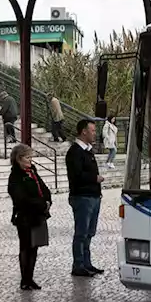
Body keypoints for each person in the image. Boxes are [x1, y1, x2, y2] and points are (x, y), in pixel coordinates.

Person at [8, 144, 51, 290]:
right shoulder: (15, 176)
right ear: (19, 159)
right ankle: (24, 279)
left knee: (35, 247)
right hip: (25, 216)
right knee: (26, 247)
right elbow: (21, 198)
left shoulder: (32, 172)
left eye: (31, 157)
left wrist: (47, 200)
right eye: (27, 157)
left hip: (38, 215)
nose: (30, 161)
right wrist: (40, 203)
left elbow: (44, 188)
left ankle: (30, 277)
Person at [66, 118, 104, 277]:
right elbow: (76, 175)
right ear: (84, 131)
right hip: (82, 197)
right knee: (81, 233)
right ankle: (78, 264)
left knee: (89, 232)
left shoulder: (88, 151)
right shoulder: (75, 152)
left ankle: (87, 263)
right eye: (93, 130)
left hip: (93, 196)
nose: (95, 134)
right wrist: (94, 179)